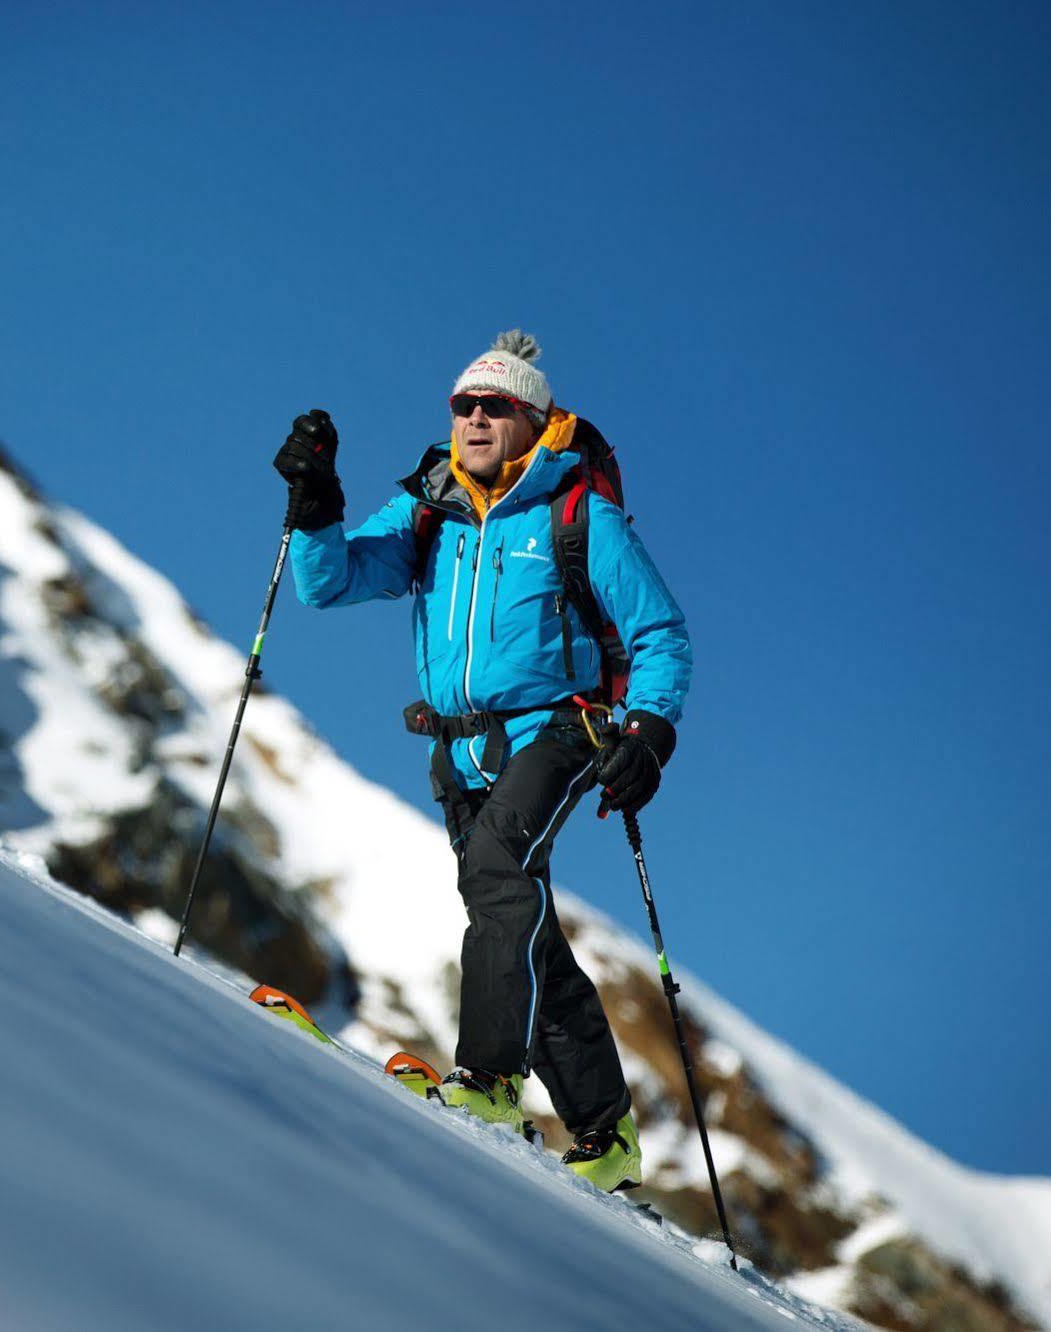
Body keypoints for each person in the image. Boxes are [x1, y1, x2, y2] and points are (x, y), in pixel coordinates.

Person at [271, 330, 692, 1193]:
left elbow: (659, 632)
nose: (470, 418)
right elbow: (330, 581)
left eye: (491, 406)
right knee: (513, 910)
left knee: (499, 872)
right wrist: (316, 505)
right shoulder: (430, 508)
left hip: (560, 726)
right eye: (460, 404)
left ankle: (491, 1081)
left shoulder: (577, 514)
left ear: (531, 421)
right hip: (457, 745)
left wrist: (648, 732)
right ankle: (604, 1137)